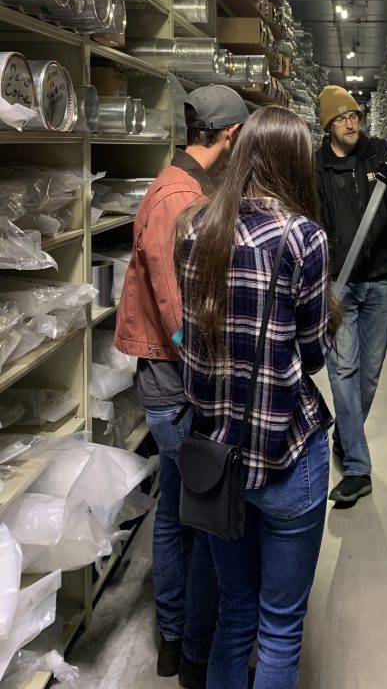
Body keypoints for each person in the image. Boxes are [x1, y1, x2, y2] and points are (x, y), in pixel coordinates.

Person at [176, 105, 339, 689]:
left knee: (235, 615)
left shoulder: (193, 229)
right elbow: (313, 355)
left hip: (217, 459)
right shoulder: (304, 238)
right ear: (294, 162)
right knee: (279, 627)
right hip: (285, 456)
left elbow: (191, 346)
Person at [115, 85, 249, 688]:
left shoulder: (180, 185)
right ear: (231, 136)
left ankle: (174, 637)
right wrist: (212, 373)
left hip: (165, 379)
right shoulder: (178, 198)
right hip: (176, 384)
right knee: (198, 516)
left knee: (174, 509)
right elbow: (176, 307)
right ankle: (190, 643)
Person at [315, 85, 387, 506]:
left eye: (354, 116)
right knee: (342, 371)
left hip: (379, 279)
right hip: (339, 283)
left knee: (368, 372)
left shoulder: (383, 152)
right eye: (342, 118)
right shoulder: (318, 165)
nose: (351, 123)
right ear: (327, 124)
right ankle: (359, 470)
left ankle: (347, 437)